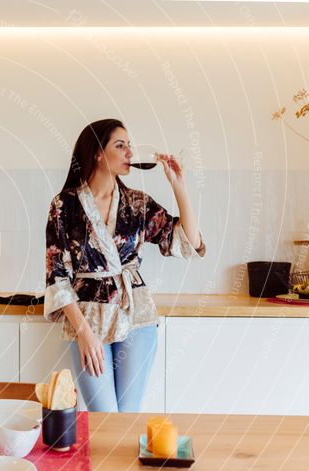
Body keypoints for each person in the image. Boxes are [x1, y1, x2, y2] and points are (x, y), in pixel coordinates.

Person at [44, 119, 205, 412]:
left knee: (127, 417)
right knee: (104, 417)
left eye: (130, 145)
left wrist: (179, 186)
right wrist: (84, 333)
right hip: (88, 319)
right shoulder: (64, 205)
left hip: (137, 317)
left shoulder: (138, 203)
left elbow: (187, 241)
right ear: (97, 153)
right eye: (121, 145)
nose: (130, 152)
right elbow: (57, 276)